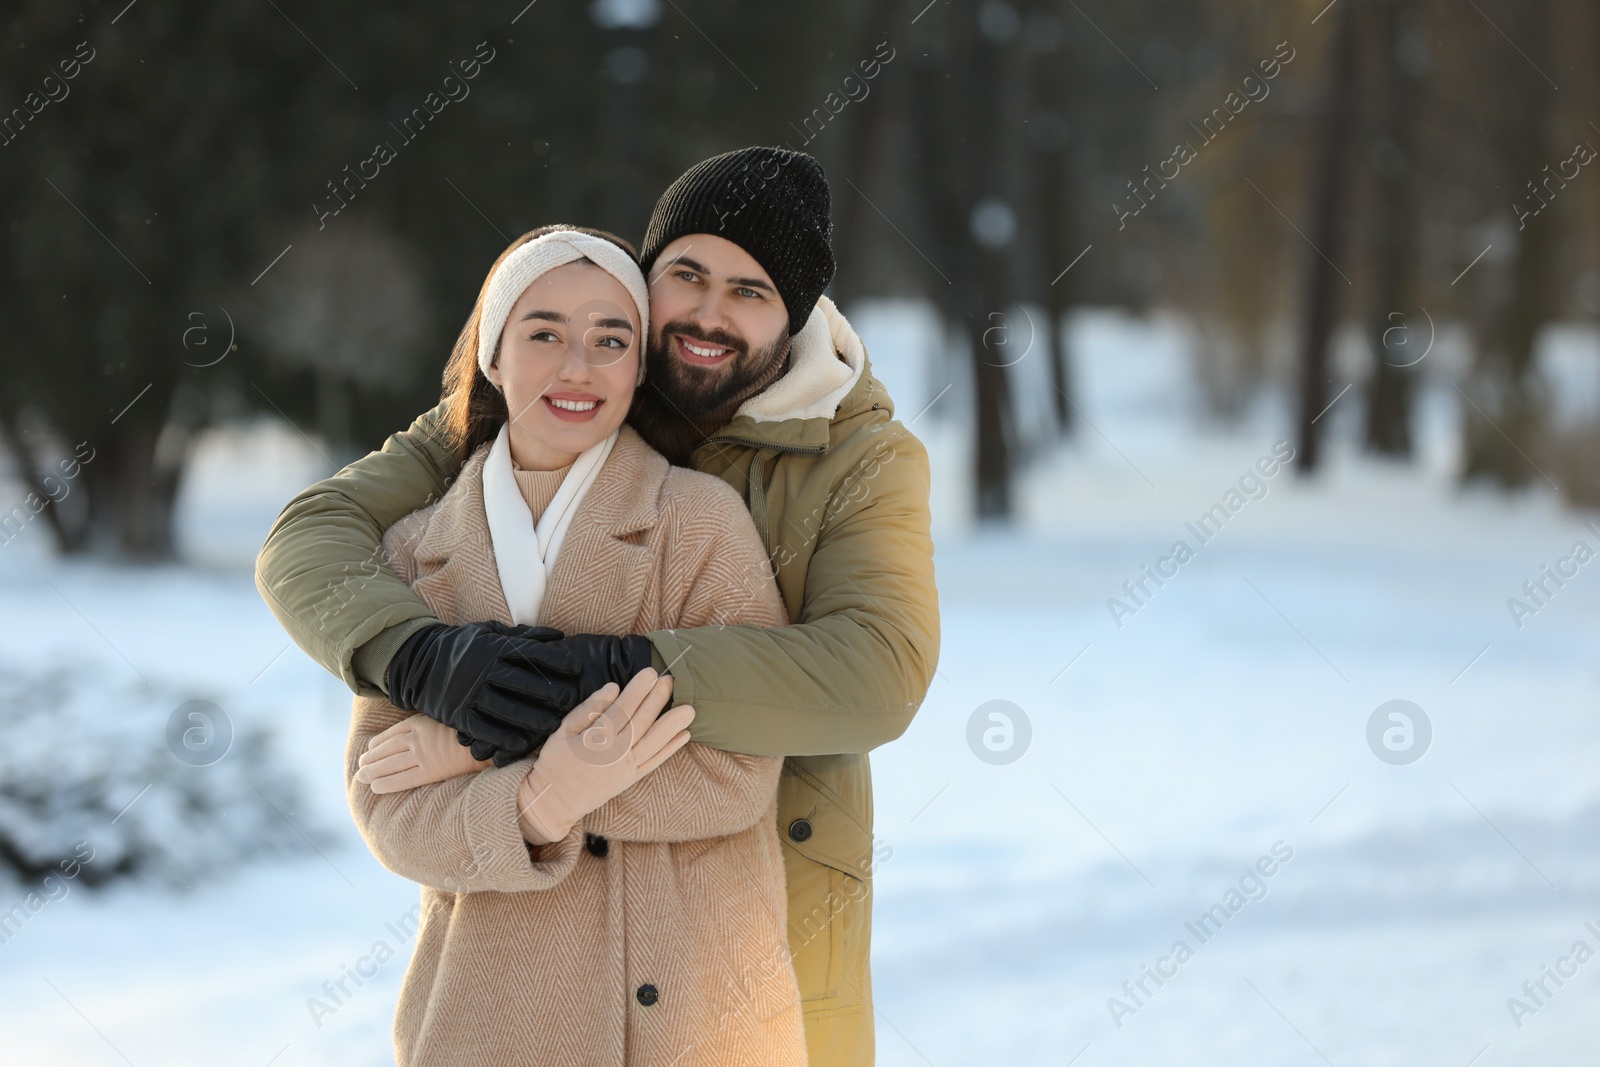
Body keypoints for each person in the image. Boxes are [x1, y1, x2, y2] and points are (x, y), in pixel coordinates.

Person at [256, 147, 939, 1067]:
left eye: (751, 290)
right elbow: (313, 535)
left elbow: (876, 671)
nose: (706, 312)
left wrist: (518, 717)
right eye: (686, 275)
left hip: (753, 908)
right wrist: (422, 659)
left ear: (797, 313)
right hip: (508, 967)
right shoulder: (537, 396)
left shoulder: (858, 459)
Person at [343, 224, 806, 1064]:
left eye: (611, 339)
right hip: (479, 1016)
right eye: (545, 332)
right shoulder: (415, 549)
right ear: (492, 353)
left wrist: (469, 749)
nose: (577, 367)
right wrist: (538, 801)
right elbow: (385, 801)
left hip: (689, 1014)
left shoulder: (700, 524)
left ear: (638, 366)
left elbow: (736, 771)